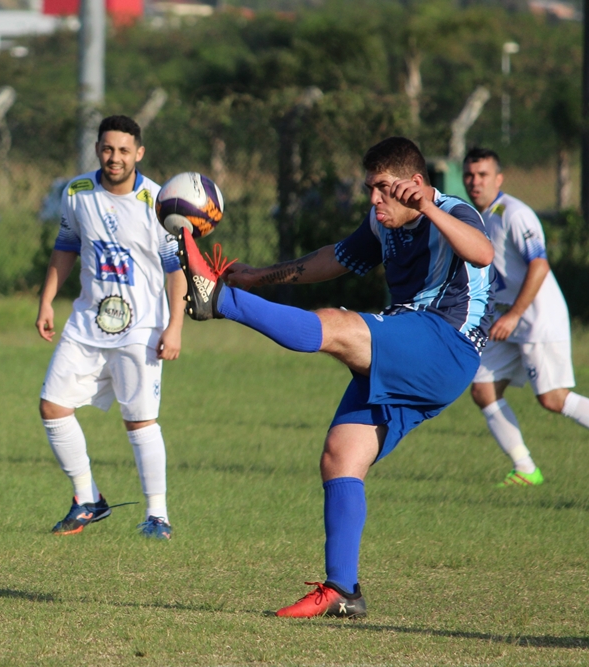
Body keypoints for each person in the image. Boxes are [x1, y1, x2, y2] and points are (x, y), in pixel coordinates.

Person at [179, 137, 494, 616]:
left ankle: (219, 301)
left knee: (337, 325)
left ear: (414, 183)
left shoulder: (453, 211)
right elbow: (333, 260)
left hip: (446, 343)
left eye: (384, 188)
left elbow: (483, 253)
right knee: (341, 455)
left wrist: (429, 207)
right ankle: (344, 591)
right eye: (370, 188)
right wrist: (257, 276)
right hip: (409, 344)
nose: (374, 198)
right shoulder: (381, 220)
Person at [36, 115, 187, 539]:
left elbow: (175, 269)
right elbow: (65, 247)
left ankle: (157, 515)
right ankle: (88, 499)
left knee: (139, 421)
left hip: (141, 327)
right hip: (86, 322)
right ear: (97, 149)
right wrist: (46, 300)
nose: (114, 157)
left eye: (123, 150)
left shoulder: (158, 201)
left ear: (139, 153)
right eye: (107, 148)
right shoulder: (77, 192)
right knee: (52, 405)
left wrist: (174, 326)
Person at [463, 148, 589, 487]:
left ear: (499, 178)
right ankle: (525, 469)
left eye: (483, 175)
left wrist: (515, 314)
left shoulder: (515, 214)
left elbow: (540, 264)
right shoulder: (476, 217)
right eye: (470, 175)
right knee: (483, 390)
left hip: (536, 319)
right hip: (507, 320)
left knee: (552, 399)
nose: (475, 182)